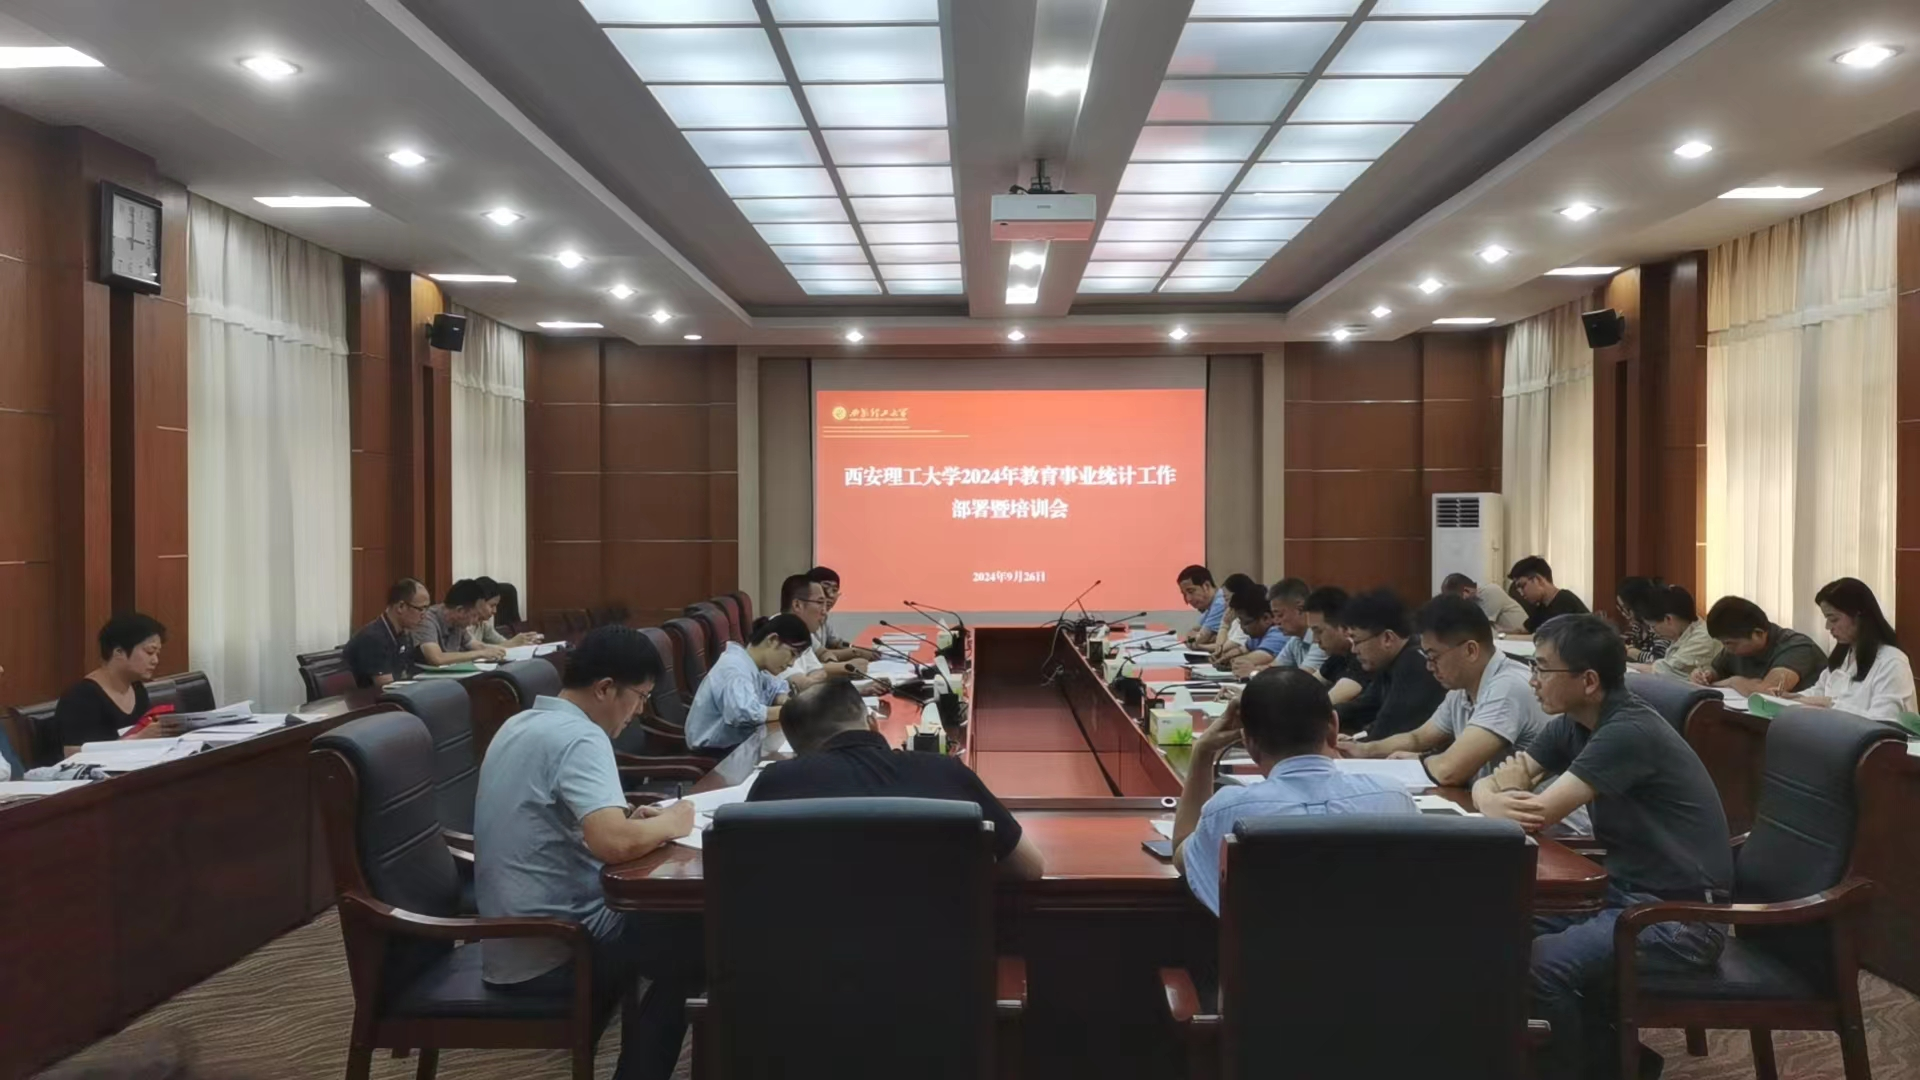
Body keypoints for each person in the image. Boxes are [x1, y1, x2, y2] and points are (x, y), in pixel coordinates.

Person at [1473, 614, 1730, 1080]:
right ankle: (1616, 1059)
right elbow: (1496, 782)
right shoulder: (1574, 723)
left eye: (1542, 668)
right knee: (1493, 925)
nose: (1532, 680)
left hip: (1680, 920)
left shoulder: (1627, 731)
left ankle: (1594, 1068)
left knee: (1539, 967)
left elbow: (1535, 813)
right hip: (1625, 898)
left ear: (1589, 681)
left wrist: (1496, 797)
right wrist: (1491, 795)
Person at [475, 625, 700, 1080]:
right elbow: (613, 843)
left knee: (684, 934)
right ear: (604, 688)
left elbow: (573, 825)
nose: (640, 711)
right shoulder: (580, 737)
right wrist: (672, 822)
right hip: (558, 947)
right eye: (640, 697)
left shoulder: (521, 723)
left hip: (512, 941)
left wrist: (634, 824)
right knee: (699, 947)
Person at [1172, 668, 1419, 915]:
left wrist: (1203, 752)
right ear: (1333, 727)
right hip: (1378, 941)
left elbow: (1184, 852)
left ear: (1248, 742)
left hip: (1270, 942)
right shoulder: (1393, 799)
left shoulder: (1229, 811)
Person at [748, 679, 1046, 878]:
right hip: (938, 951)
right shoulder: (945, 773)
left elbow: (748, 873)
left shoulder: (775, 785)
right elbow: (1030, 868)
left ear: (796, 750)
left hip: (809, 954)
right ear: (872, 723)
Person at [1339, 595, 1554, 787]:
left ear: (1470, 650)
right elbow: (1418, 738)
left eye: (1434, 657)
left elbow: (1449, 770)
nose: (1429, 666)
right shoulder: (1462, 688)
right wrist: (1363, 750)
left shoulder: (1508, 686)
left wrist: (1420, 760)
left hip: (1541, 814)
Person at [1789, 577, 1916, 722]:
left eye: (1834, 619)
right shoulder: (1843, 654)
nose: (1828, 627)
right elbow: (1821, 690)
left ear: (1858, 616)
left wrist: (1831, 705)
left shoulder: (1892, 662)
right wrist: (1795, 698)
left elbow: (1884, 720)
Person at [684, 614, 808, 757]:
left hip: (740, 748)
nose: (792, 663)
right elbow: (744, 713)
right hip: (716, 756)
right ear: (773, 640)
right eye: (792, 654)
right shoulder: (735, 668)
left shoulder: (755, 666)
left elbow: (776, 687)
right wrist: (790, 711)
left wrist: (782, 699)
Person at [54, 613, 170, 756]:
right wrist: (138, 739)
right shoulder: (81, 696)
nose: (155, 660)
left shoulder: (137, 689)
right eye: (149, 652)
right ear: (118, 652)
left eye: (157, 653)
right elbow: (72, 753)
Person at [1338, 589, 1446, 741]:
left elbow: (1388, 729)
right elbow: (1363, 707)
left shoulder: (1415, 664)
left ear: (1387, 638)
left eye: (1357, 641)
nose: (1354, 650)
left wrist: (1354, 743)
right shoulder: (1390, 662)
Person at [1696, 596, 1826, 695]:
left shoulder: (1797, 647)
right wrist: (1704, 676)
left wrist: (1733, 682)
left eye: (1729, 643)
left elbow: (1768, 692)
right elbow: (1715, 672)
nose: (1727, 648)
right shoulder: (1734, 648)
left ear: (1758, 633)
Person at [775, 574, 868, 690]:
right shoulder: (778, 632)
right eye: (820, 603)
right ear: (797, 605)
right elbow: (801, 684)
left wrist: (860, 689)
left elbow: (818, 672)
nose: (824, 611)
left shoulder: (800, 632)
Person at [342, 578, 429, 688]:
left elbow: (408, 673)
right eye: (421, 609)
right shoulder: (373, 638)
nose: (424, 615)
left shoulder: (404, 635)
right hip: (366, 697)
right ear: (401, 607)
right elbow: (386, 686)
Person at [1630, 584, 1719, 681]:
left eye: (1653, 626)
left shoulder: (1702, 638)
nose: (1653, 631)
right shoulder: (1683, 633)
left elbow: (1664, 671)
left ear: (1668, 619)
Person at [412, 579, 506, 666]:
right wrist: (480, 653)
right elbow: (437, 658)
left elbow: (476, 645)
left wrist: (498, 651)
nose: (475, 622)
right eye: (474, 615)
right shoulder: (427, 620)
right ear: (460, 610)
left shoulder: (458, 623)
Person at [1302, 586, 1367, 705]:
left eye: (1319, 631)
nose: (1315, 640)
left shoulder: (1363, 658)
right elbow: (1304, 687)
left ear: (1344, 627)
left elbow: (1324, 706)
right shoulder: (1338, 656)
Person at [805, 566, 878, 661]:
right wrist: (856, 653)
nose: (830, 595)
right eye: (825, 588)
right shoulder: (799, 621)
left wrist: (860, 649)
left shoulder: (823, 617)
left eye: (834, 590)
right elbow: (815, 656)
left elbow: (835, 643)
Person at [1224, 582, 1293, 678]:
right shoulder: (1257, 635)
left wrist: (1231, 660)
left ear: (1266, 618)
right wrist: (1225, 657)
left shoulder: (1279, 633)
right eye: (1240, 622)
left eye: (1246, 623)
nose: (1242, 628)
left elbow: (1249, 660)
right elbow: (1242, 650)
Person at [1508, 556, 1589, 633]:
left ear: (1538, 580)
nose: (1521, 593)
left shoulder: (1564, 601)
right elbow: (1523, 630)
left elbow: (1544, 639)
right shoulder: (1543, 607)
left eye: (1522, 586)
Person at [1265, 577, 1328, 674]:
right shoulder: (1295, 640)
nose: (1276, 621)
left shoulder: (1321, 639)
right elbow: (1272, 671)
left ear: (1300, 609)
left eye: (1280, 615)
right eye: (1274, 616)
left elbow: (1301, 678)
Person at [1441, 571, 1529, 634]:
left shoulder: (1490, 592)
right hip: (1507, 640)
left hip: (1523, 638)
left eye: (1455, 599)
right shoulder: (1472, 602)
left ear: (1466, 591)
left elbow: (1483, 629)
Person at [472, 577, 541, 649]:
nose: (495, 611)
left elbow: (502, 643)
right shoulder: (465, 625)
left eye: (496, 606)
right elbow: (475, 650)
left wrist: (522, 642)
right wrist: (512, 643)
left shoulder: (483, 624)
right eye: (492, 606)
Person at [1615, 576, 1667, 662]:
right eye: (1621, 609)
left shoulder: (1659, 626)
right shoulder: (1637, 627)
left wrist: (1631, 652)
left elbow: (1658, 661)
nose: (1624, 614)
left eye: (1626, 608)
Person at [1178, 565, 1228, 647]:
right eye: (1184, 594)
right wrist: (1209, 638)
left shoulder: (1220, 602)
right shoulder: (1209, 606)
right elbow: (1192, 633)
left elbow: (1197, 640)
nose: (1188, 599)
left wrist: (1202, 638)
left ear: (1206, 586)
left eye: (1191, 591)